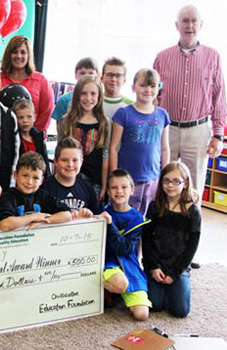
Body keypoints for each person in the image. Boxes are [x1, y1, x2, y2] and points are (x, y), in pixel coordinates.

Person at [153, 5, 226, 215]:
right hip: (167, 130)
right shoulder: (162, 57)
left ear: (201, 25)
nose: (190, 25)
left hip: (198, 130)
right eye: (185, 21)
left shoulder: (213, 57)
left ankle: (190, 234)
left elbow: (219, 97)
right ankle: (162, 228)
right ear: (177, 25)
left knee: (193, 185)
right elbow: (153, 95)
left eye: (194, 21)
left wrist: (218, 135)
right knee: (162, 181)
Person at [142, 162, 201, 318]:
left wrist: (175, 273)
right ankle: (160, 286)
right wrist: (153, 267)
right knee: (154, 305)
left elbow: (192, 246)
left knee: (180, 311)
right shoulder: (155, 207)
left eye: (176, 181)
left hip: (178, 266)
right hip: (157, 263)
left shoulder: (193, 211)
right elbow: (146, 238)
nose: (170, 185)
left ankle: (176, 286)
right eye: (166, 181)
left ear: (185, 183)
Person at [109, 68, 170, 214]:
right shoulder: (123, 114)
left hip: (153, 178)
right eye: (143, 85)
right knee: (126, 217)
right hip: (127, 180)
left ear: (158, 88)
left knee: (149, 219)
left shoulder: (162, 114)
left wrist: (165, 176)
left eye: (152, 86)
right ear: (133, 87)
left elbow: (165, 148)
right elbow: (113, 148)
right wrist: (114, 176)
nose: (148, 90)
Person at [0, 152, 92, 231]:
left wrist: (44, 222)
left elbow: (67, 214)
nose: (29, 182)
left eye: (35, 178)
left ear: (42, 180)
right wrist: (34, 217)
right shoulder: (9, 196)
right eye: (25, 175)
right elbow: (5, 224)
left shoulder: (42, 195)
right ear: (15, 175)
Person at [101, 169, 151, 321]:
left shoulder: (137, 218)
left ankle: (111, 292)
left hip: (129, 264)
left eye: (124, 187)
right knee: (120, 284)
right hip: (109, 264)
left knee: (142, 315)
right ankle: (96, 283)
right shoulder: (102, 212)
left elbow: (125, 249)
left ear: (132, 190)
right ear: (108, 191)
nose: (119, 191)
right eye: (114, 187)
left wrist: (110, 225)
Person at [59, 75, 110, 200]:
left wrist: (104, 186)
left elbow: (105, 155)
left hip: (95, 182)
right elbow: (59, 153)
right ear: (77, 96)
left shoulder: (104, 122)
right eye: (84, 93)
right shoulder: (66, 121)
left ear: (99, 96)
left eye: (93, 94)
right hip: (69, 179)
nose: (88, 98)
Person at [0, 35, 54, 132]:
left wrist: (32, 135)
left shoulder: (41, 80)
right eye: (15, 52)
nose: (19, 56)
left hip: (31, 138)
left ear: (29, 55)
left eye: (23, 52)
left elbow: (47, 112)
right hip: (3, 137)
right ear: (9, 54)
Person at [41, 137, 99, 214]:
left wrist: (89, 215)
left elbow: (96, 218)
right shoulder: (45, 189)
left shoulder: (87, 188)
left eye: (75, 160)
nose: (70, 165)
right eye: (64, 160)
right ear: (56, 162)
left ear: (81, 162)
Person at [52, 57, 100, 123]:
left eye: (90, 73)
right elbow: (59, 127)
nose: (86, 76)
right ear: (75, 75)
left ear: (98, 76)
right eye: (82, 73)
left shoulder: (100, 99)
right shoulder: (64, 100)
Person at [13, 99, 50, 178]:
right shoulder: (13, 140)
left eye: (29, 117)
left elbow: (45, 162)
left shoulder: (39, 138)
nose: (25, 121)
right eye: (20, 117)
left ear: (34, 117)